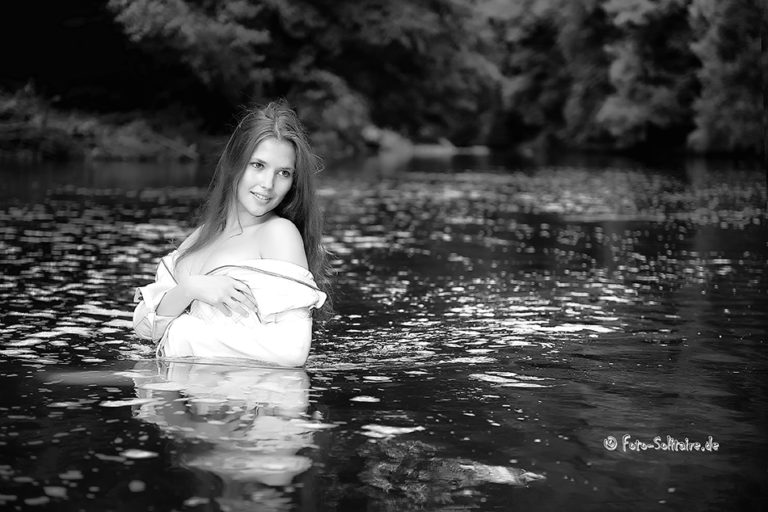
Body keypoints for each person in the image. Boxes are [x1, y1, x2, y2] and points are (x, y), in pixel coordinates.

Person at [132, 100, 331, 367]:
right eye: (258, 165)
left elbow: (291, 351)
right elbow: (147, 329)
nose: (268, 184)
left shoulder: (278, 234)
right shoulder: (200, 237)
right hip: (178, 385)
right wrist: (191, 288)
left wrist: (182, 333)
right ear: (234, 163)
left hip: (241, 389)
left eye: (283, 173)